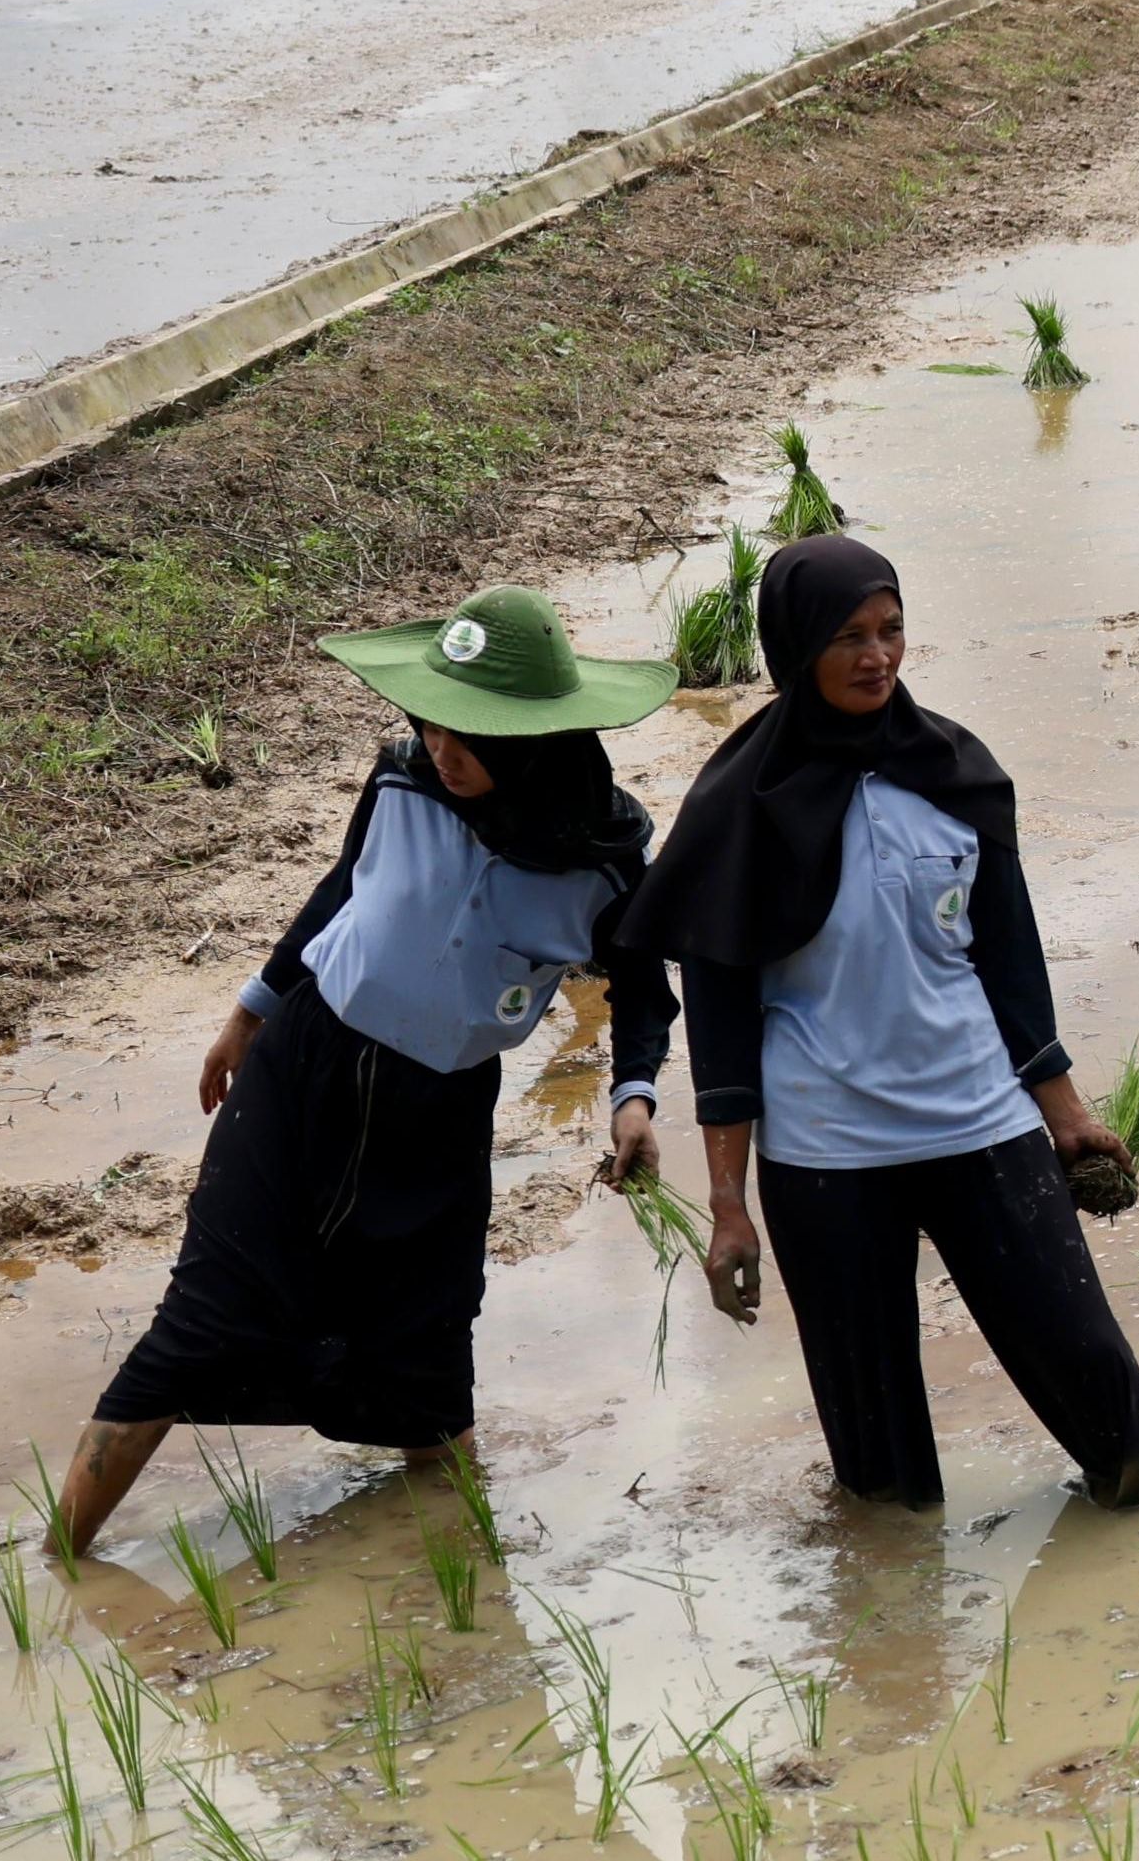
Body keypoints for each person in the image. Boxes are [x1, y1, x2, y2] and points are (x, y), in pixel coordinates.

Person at [52, 588, 680, 1550]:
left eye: (469, 733)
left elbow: (642, 989)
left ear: (535, 736)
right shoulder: (397, 785)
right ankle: (61, 1557)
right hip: (304, 1074)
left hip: (436, 1117)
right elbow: (339, 893)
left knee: (425, 1353)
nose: (441, 749)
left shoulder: (601, 865)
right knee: (197, 1323)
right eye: (430, 720)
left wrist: (633, 1095)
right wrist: (248, 1014)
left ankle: (466, 1574)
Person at [625, 535, 1139, 1511]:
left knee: (1124, 1434)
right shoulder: (738, 811)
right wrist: (726, 1202)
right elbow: (718, 1027)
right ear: (797, 648)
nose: (877, 655)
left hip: (979, 1120)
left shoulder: (952, 772)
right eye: (848, 637)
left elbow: (1008, 961)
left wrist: (1067, 1112)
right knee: (880, 1483)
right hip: (827, 1152)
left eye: (891, 630)